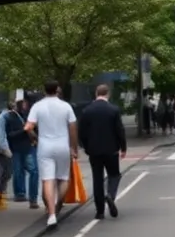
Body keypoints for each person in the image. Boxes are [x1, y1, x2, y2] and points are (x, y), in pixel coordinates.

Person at [25, 80, 78, 228]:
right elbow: (73, 128)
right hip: (62, 145)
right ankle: (58, 202)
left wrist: (35, 138)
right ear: (57, 90)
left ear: (44, 90)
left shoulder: (37, 106)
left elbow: (28, 127)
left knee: (47, 180)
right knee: (63, 178)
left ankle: (51, 214)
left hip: (45, 146)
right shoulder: (65, 106)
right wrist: (74, 148)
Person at [77, 84, 127, 220]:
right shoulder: (113, 110)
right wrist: (123, 147)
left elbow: (82, 132)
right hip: (111, 150)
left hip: (94, 150)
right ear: (108, 94)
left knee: (97, 179)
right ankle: (110, 195)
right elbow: (119, 130)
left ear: (96, 94)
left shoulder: (87, 111)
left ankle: (99, 211)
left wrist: (86, 147)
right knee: (114, 175)